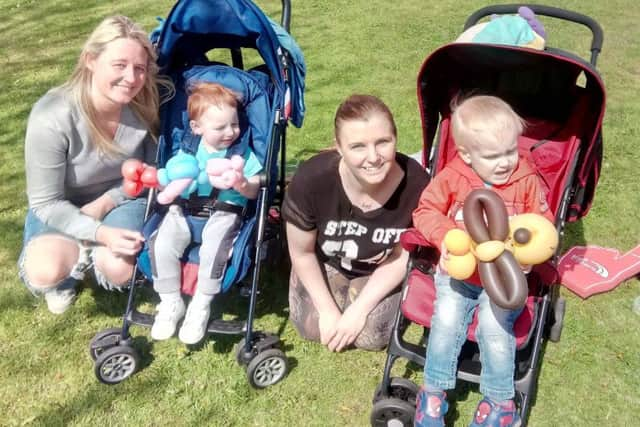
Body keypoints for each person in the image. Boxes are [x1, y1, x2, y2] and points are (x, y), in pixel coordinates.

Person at [412, 95, 554, 427]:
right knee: (446, 320)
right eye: (493, 156)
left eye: (510, 151)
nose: (505, 162)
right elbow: (425, 210)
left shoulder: (527, 181)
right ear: (466, 154)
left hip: (503, 280)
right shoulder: (453, 177)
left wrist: (529, 256)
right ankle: (433, 393)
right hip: (459, 274)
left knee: (495, 327)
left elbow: (542, 226)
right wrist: (446, 236)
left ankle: (500, 402)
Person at [19, 16, 171, 314]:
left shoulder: (146, 104)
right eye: (119, 65)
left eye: (139, 68)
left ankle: (91, 253)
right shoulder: (52, 116)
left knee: (119, 268)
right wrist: (100, 232)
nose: (131, 77)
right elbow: (46, 201)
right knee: (44, 271)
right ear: (90, 60)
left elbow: (148, 172)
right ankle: (69, 268)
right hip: (63, 204)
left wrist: (105, 204)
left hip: (124, 195)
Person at [282, 94, 429, 352]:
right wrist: (327, 310)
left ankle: (365, 298)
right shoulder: (312, 179)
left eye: (383, 142)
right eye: (358, 146)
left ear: (396, 138)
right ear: (339, 147)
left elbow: (401, 256)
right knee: (313, 326)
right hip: (328, 261)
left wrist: (359, 310)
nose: (373, 157)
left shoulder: (416, 184)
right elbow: (301, 251)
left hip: (382, 268)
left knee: (371, 336)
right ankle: (336, 296)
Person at [148, 82, 262, 345]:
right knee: (161, 242)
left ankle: (201, 303)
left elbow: (256, 188)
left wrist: (242, 183)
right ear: (197, 128)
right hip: (183, 210)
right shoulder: (186, 151)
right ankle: (171, 302)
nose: (230, 132)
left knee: (214, 248)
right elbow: (171, 178)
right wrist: (162, 182)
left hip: (225, 211)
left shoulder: (241, 154)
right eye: (220, 127)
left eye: (234, 125)